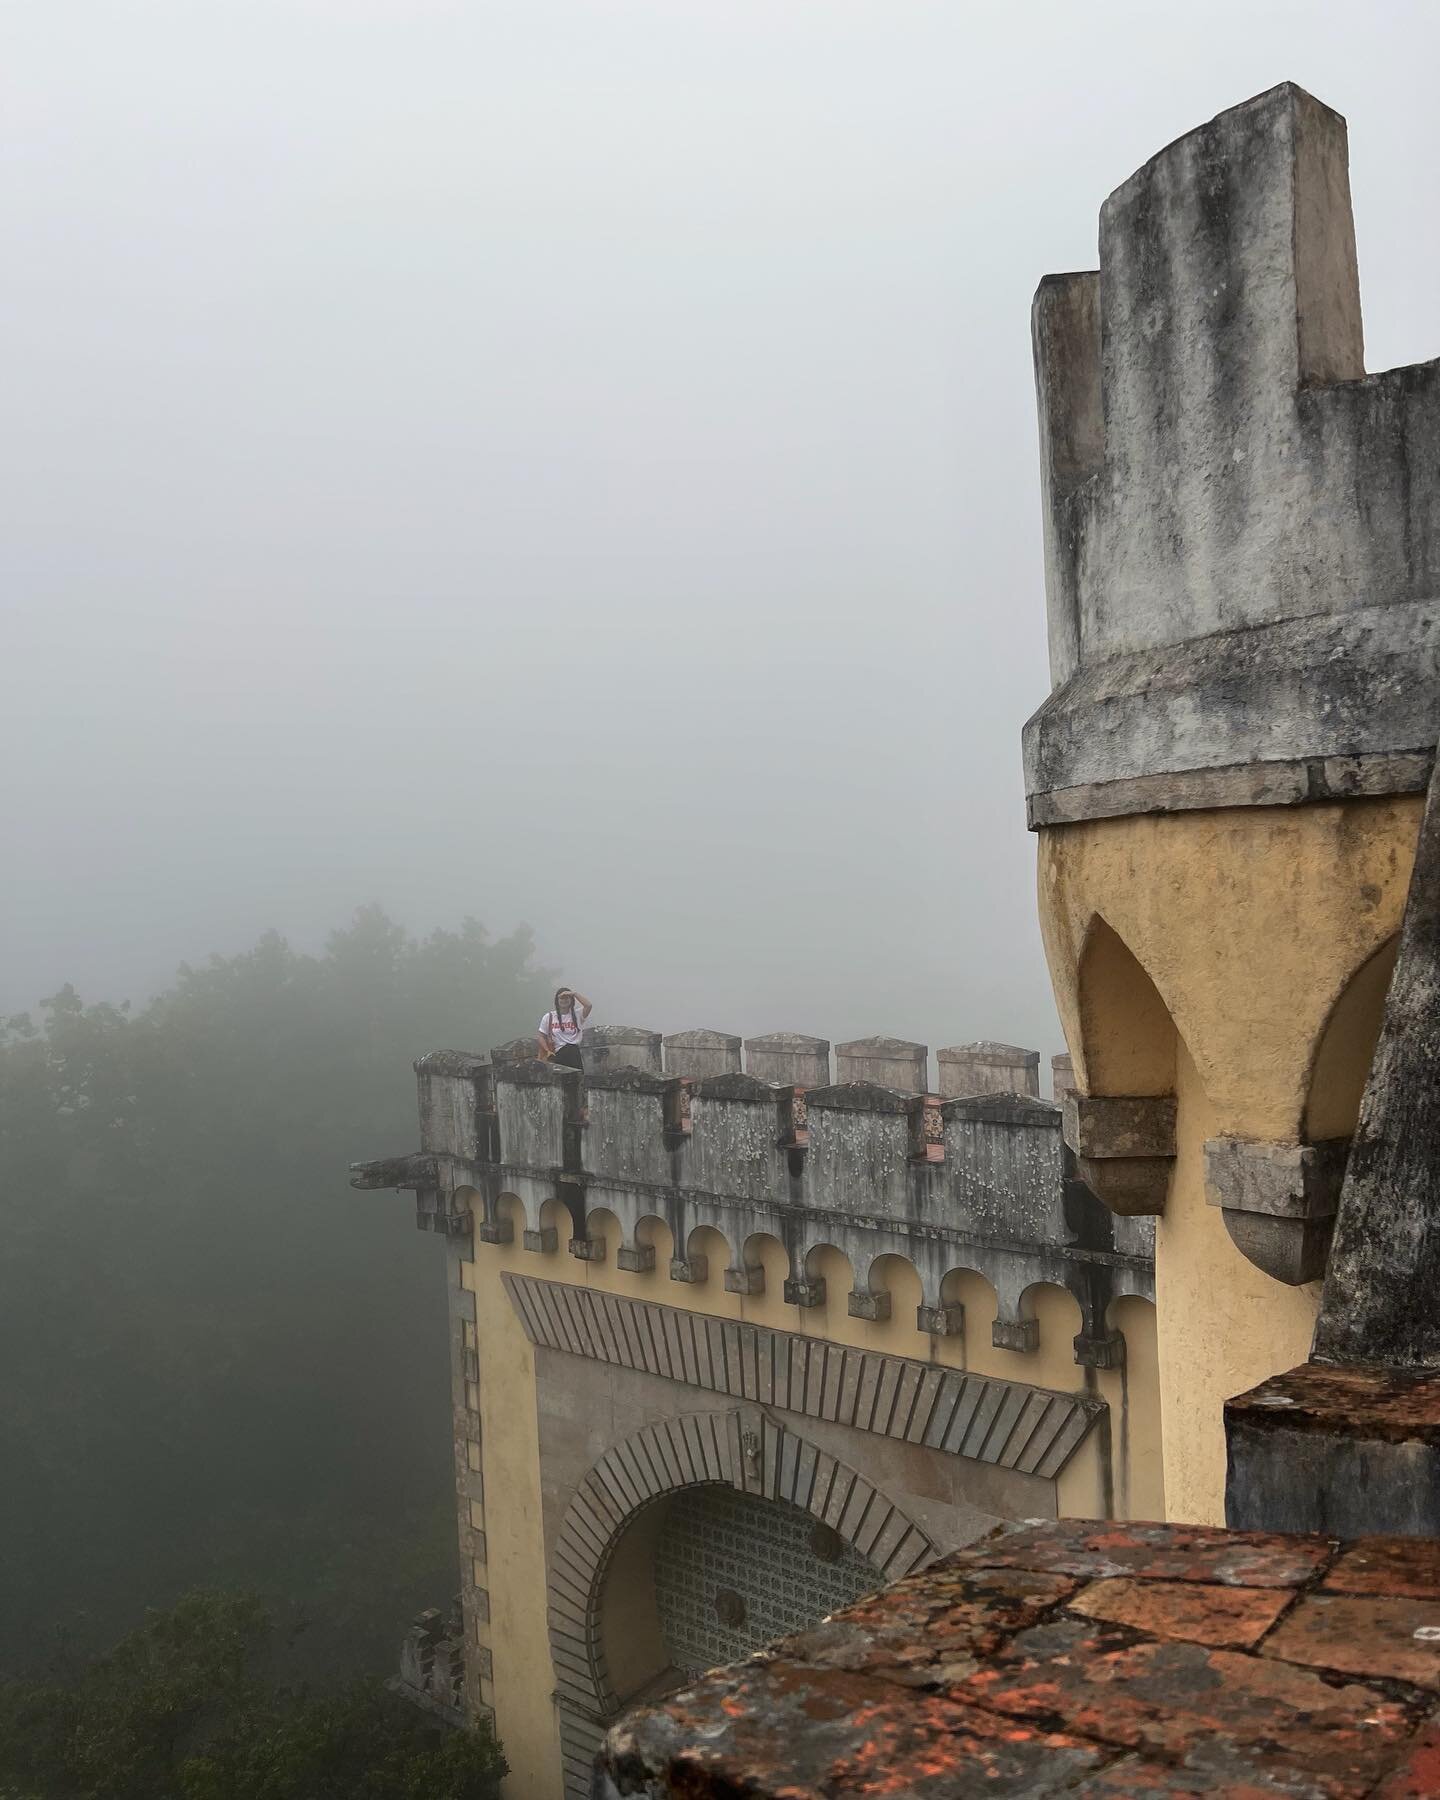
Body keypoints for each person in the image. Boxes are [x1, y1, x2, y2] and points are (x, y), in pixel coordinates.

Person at [537, 986, 593, 1070]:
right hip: (558, 1053)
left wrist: (573, 994)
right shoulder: (549, 1017)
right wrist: (547, 1050)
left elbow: (588, 1005)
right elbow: (541, 1036)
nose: (564, 1000)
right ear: (557, 1000)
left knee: (575, 1080)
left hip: (574, 1054)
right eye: (561, 998)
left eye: (567, 998)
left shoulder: (577, 1015)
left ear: (571, 1000)